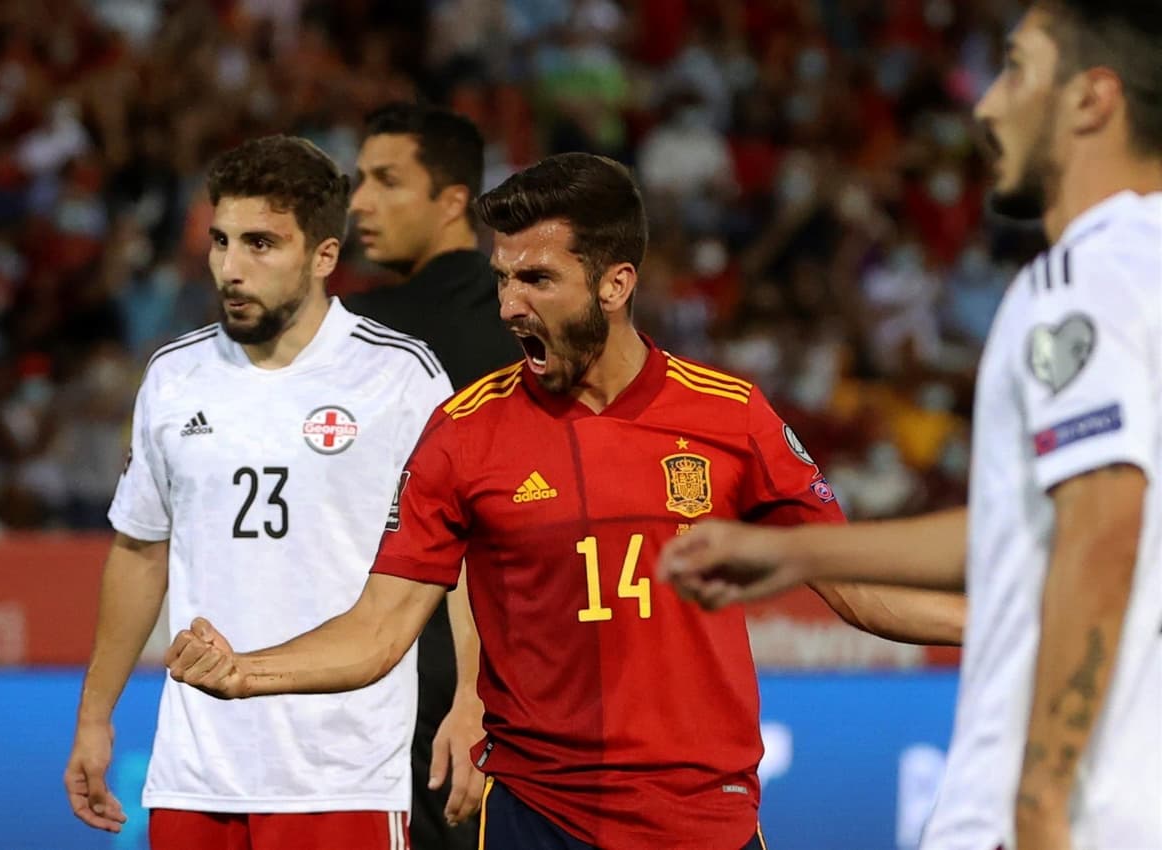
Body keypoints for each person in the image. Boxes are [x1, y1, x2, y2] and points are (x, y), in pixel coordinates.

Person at [163, 152, 965, 849]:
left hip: (704, 824)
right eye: (503, 279)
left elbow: (857, 591)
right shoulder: (462, 434)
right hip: (535, 819)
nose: (511, 305)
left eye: (538, 279)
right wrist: (246, 672)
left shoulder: (729, 415)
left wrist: (1010, 629)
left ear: (616, 283)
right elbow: (377, 629)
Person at [659, 4, 1162, 850]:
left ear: (1092, 99)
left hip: (1064, 805)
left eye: (1017, 69)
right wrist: (799, 553)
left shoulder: (1079, 282)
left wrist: (1039, 802)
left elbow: (1102, 526)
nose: (986, 105)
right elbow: (1033, 527)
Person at [63, 134, 454, 849]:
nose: (230, 269)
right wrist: (96, 715)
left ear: (324, 256)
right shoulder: (175, 377)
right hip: (196, 771)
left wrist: (472, 706)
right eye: (220, 241)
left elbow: (454, 562)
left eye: (260, 245)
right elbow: (138, 550)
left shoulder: (400, 379)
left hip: (341, 773)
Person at [345, 102, 519, 848]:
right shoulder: (522, 323)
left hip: (429, 687)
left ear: (454, 202)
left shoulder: (352, 333)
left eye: (386, 180)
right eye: (358, 180)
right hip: (473, 677)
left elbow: (492, 521)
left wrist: (470, 694)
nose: (358, 202)